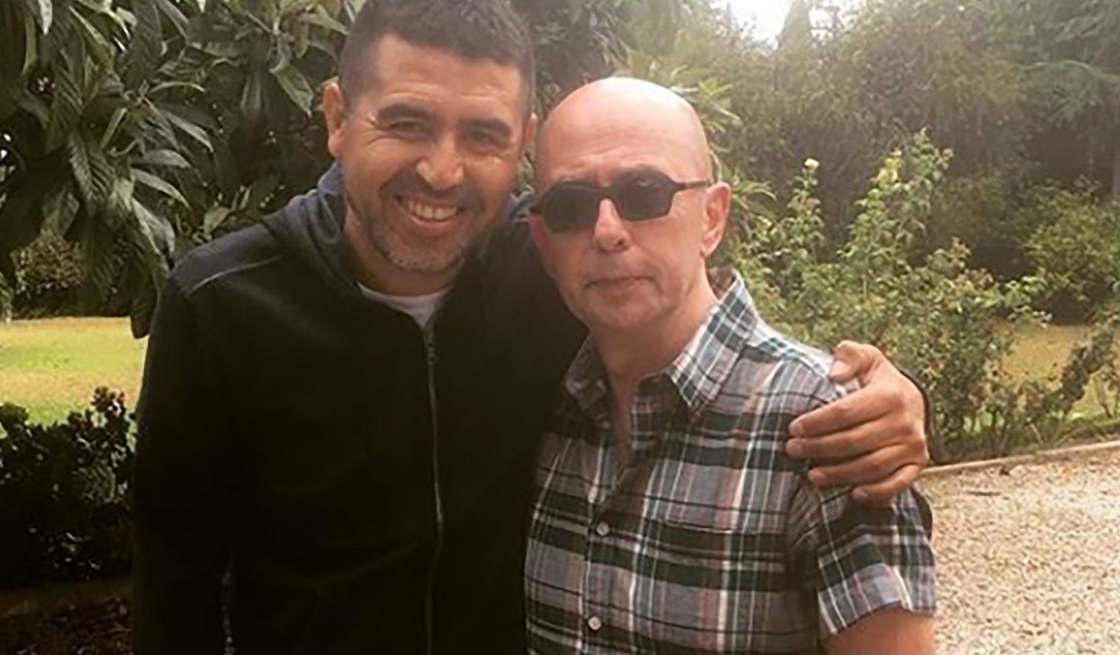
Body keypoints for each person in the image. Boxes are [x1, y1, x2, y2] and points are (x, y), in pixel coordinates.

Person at [131, 1, 931, 653]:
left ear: (521, 143)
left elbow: (687, 308)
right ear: (339, 118)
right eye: (407, 122)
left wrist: (887, 393)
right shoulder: (222, 305)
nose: (442, 170)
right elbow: (174, 589)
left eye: (482, 135)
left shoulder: (555, 259)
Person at [523, 77, 936, 655]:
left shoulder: (829, 432)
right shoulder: (537, 405)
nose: (608, 231)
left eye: (645, 193)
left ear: (712, 218)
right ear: (543, 243)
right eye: (571, 205)